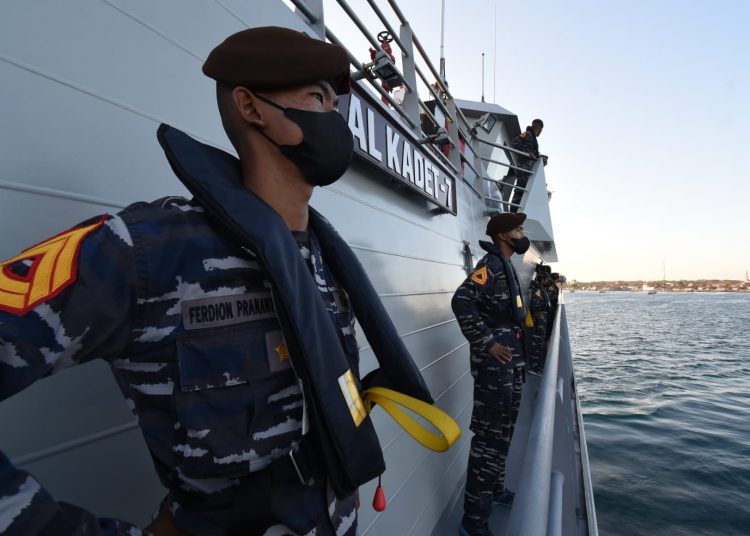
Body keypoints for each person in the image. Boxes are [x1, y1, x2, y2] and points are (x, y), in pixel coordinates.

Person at [0, 26, 434, 535]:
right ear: (251, 108)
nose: (336, 121)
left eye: (336, 106)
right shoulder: (147, 250)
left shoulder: (324, 257)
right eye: (319, 98)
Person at [451, 212, 530, 536]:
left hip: (509, 367)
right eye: (518, 229)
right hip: (495, 371)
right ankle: (473, 521)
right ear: (503, 236)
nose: (522, 234)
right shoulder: (491, 265)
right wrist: (486, 343)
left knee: (504, 433)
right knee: (489, 441)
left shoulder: (505, 264)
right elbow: (461, 301)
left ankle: (495, 489)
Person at [501, 119, 547, 212]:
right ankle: (514, 209)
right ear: (537, 127)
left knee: (524, 187)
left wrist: (541, 157)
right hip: (523, 165)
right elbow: (514, 143)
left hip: (528, 167)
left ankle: (516, 208)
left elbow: (533, 153)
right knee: (521, 187)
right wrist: (526, 153)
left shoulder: (533, 139)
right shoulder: (526, 134)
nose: (540, 132)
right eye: (540, 130)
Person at [527, 264, 552, 374]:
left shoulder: (541, 288)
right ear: (542, 279)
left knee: (540, 344)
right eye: (546, 279)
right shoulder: (537, 289)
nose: (547, 281)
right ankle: (533, 367)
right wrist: (539, 314)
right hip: (539, 321)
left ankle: (537, 366)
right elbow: (535, 304)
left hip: (542, 320)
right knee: (536, 344)